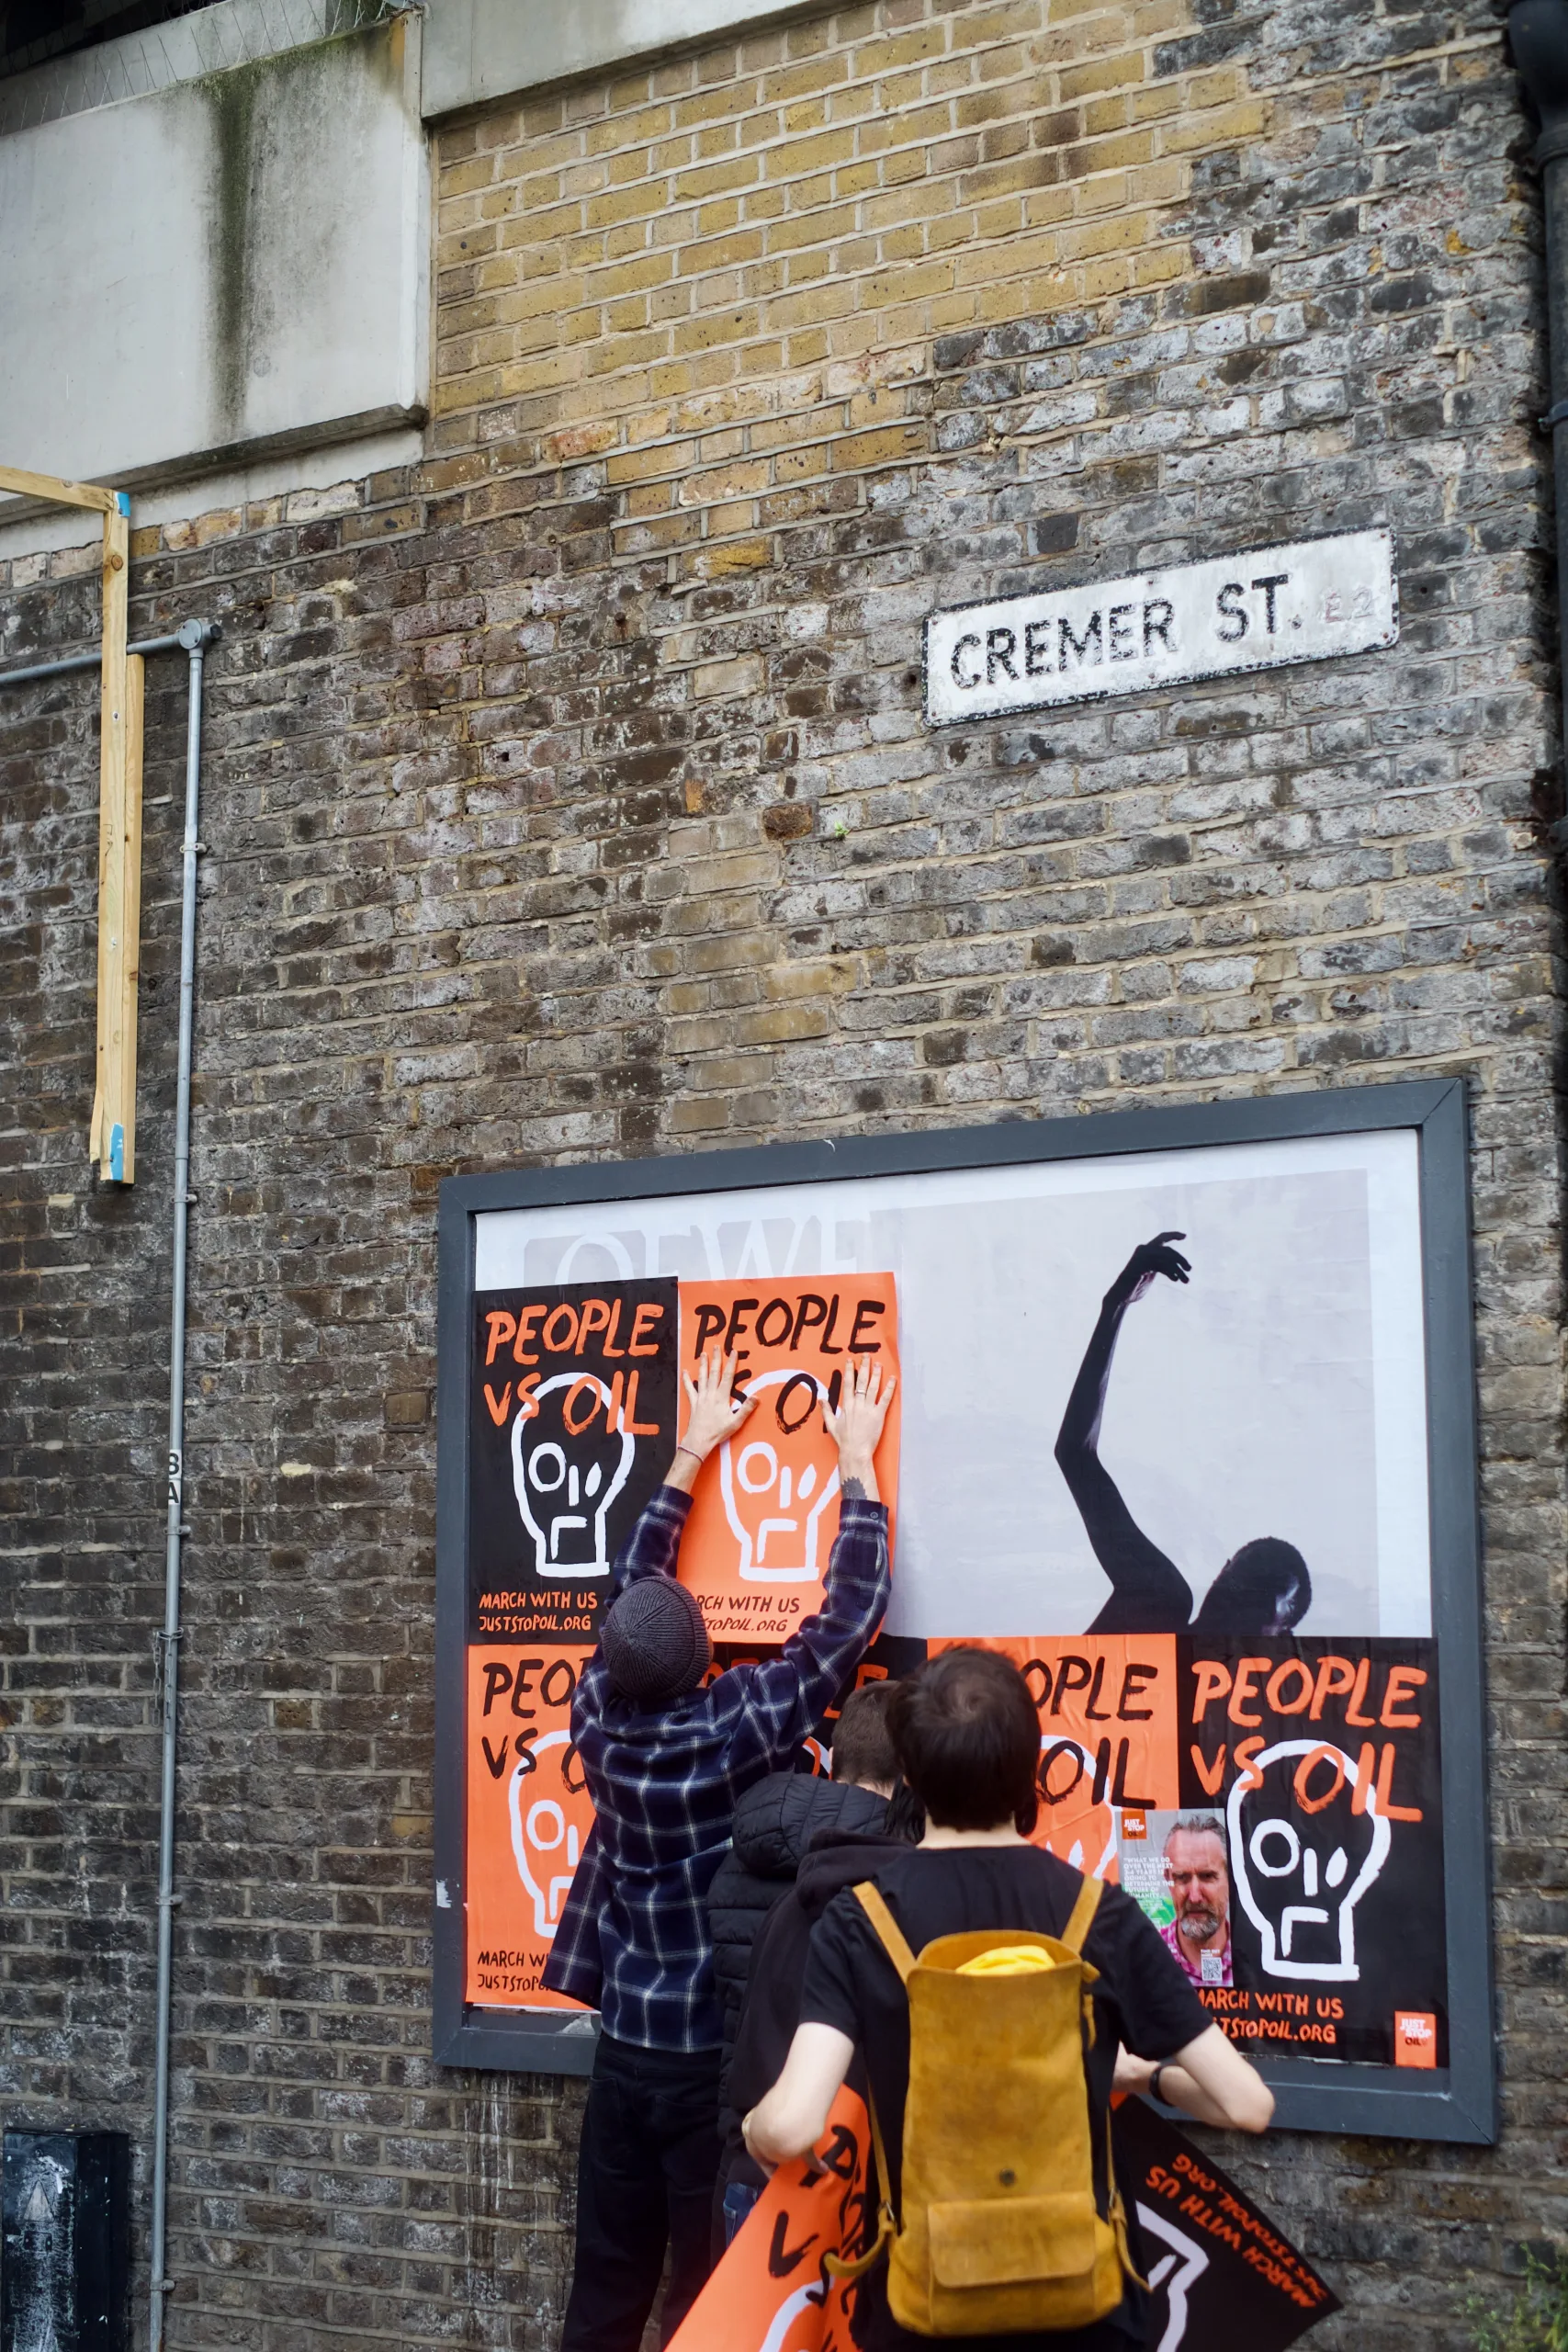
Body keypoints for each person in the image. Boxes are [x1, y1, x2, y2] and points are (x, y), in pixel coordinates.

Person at [743, 1646, 1273, 2352]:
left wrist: (756, 2129)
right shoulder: (1099, 1915)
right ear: (1030, 1768)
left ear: (908, 1773)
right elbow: (1246, 2105)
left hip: (924, 2305)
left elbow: (791, 2126)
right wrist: (1142, 2075)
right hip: (1085, 2308)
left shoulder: (858, 1920)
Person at [546, 1348, 897, 2352]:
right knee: (705, 2300)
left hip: (625, 2047)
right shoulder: (728, 1726)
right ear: (705, 1657)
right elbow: (844, 1625)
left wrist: (692, 1446)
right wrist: (857, 1462)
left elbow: (629, 1590)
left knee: (604, 2289)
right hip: (710, 2058)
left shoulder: (594, 1716)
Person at [712, 1687, 910, 2252]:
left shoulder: (738, 1862)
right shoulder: (903, 1880)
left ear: (831, 1755)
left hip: (749, 2162)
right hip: (853, 2178)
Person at [1055, 1231, 1313, 1635]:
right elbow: (1075, 1455)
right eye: (1234, 1588)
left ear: (1281, 1634)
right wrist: (1115, 1308)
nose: (1234, 1603)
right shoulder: (1159, 1602)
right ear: (1218, 1578)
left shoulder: (1260, 1693)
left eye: (1256, 1602)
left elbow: (1075, 1456)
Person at [708, 1682, 899, 2080]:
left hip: (743, 2111)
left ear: (834, 1759)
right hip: (843, 2119)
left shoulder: (739, 1856)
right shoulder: (896, 1872)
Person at [1160, 1815, 1233, 1988]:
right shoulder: (1143, 1957)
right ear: (1168, 1880)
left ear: (1231, 1878)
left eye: (1207, 1876)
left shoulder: (1257, 1955)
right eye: (1181, 1877)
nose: (1194, 1896)